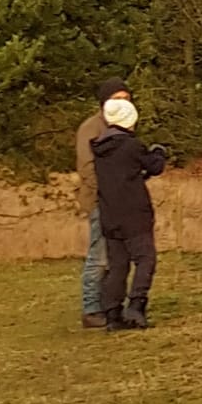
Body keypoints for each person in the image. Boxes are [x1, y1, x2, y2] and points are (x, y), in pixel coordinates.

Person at [90, 97, 168, 331]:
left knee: (118, 265)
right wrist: (159, 152)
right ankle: (136, 306)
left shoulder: (99, 149)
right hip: (134, 214)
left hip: (110, 215)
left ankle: (112, 313)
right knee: (145, 259)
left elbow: (123, 175)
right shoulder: (131, 146)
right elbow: (154, 166)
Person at [74, 77, 131, 329]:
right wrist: (108, 191)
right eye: (116, 99)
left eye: (126, 99)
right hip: (100, 200)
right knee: (99, 255)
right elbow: (87, 167)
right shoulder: (91, 128)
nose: (122, 104)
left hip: (120, 201)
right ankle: (91, 308)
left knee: (117, 254)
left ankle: (110, 304)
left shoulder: (124, 127)